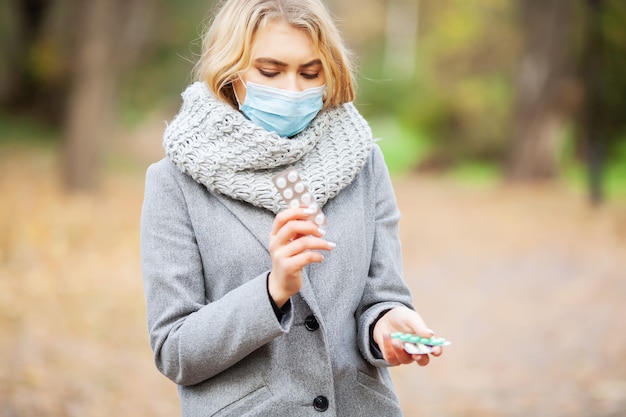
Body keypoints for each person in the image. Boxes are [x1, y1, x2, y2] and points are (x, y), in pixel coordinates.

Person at [140, 0, 443, 415]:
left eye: (310, 72)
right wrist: (272, 290)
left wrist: (386, 325)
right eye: (270, 71)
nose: (293, 90)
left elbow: (381, 295)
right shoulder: (174, 182)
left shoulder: (362, 161)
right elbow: (175, 351)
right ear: (231, 72)